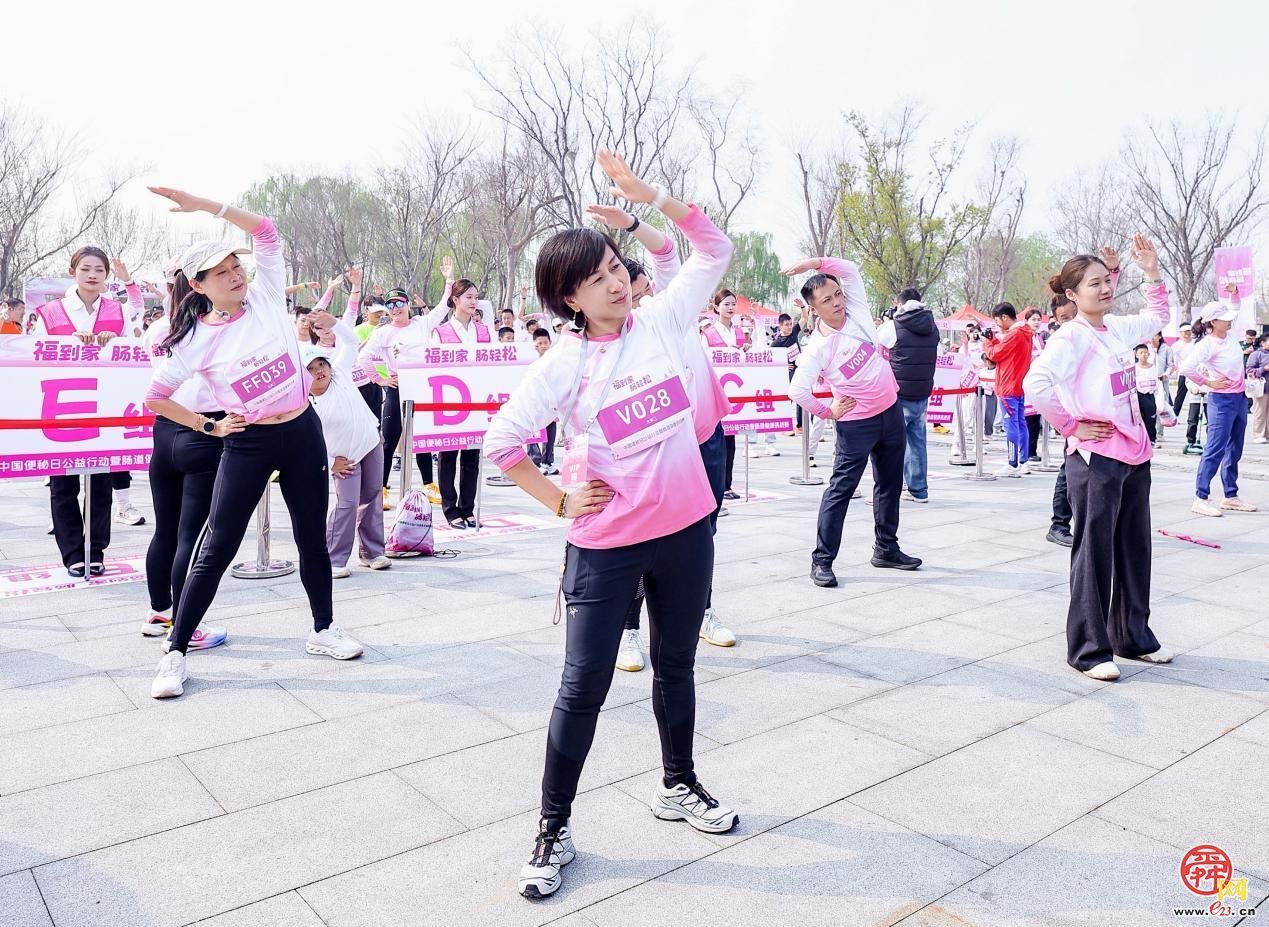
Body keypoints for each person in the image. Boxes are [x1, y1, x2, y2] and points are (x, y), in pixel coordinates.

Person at [485, 151, 738, 899]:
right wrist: (559, 501)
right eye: (594, 278)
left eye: (614, 267)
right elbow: (502, 443)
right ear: (567, 297)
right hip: (605, 547)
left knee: (677, 665)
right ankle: (553, 827)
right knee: (581, 686)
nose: (615, 281)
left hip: (687, 528)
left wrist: (649, 199)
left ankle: (677, 783)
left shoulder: (661, 319)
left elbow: (712, 249)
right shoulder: (563, 362)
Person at [144, 187, 363, 700]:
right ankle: (176, 649)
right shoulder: (192, 339)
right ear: (199, 286)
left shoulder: (266, 296)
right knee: (217, 546)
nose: (235, 275)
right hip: (248, 445)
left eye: (235, 267)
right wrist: (209, 426)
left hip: (302, 431)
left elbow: (265, 229)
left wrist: (206, 205)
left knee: (312, 535)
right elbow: (156, 397)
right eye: (221, 273)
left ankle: (323, 629)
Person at [585, 198, 738, 675]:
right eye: (611, 281)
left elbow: (673, 251)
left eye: (626, 276)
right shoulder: (631, 331)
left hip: (704, 438)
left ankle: (700, 610)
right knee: (638, 539)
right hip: (649, 448)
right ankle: (629, 630)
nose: (628, 288)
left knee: (702, 533)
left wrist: (633, 219)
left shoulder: (671, 309)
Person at [1023, 235, 1173, 682]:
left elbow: (1159, 318)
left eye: (1107, 281)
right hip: (1096, 458)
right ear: (1072, 295)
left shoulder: (1115, 329)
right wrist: (1071, 426)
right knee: (1094, 552)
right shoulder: (1071, 337)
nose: (1105, 289)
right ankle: (1089, 650)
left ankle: (1133, 637)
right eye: (1094, 284)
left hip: (1134, 452)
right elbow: (1036, 385)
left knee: (1134, 547)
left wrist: (1151, 273)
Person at [785, 254, 922, 588]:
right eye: (827, 300)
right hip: (856, 425)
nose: (836, 302)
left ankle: (886, 549)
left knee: (889, 484)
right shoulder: (818, 347)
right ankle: (822, 560)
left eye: (837, 294)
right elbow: (798, 390)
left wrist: (813, 264)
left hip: (891, 413)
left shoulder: (857, 311)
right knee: (841, 490)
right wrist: (827, 412)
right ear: (813, 308)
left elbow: (850, 270)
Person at [38, 249, 144, 576]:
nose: (93, 275)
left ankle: (95, 550)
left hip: (104, 408)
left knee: (100, 483)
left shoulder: (118, 311)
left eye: (99, 269)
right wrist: (72, 343)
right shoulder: (49, 312)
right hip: (61, 410)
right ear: (73, 271)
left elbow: (132, 354)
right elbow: (36, 357)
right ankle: (72, 553)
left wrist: (113, 343)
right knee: (64, 484)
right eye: (86, 269)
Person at [139, 266, 230, 648]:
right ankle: (185, 625)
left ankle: (160, 609)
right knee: (190, 536)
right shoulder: (210, 330)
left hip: (164, 430)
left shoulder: (159, 330)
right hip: (203, 429)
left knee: (165, 529)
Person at [305, 268, 391, 577]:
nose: (320, 372)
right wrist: (331, 461)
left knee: (372, 497)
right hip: (345, 458)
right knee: (347, 503)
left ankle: (373, 552)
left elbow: (351, 342)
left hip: (370, 442)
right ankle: (334, 558)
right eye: (312, 369)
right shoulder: (305, 403)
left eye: (321, 366)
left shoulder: (339, 371)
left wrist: (335, 323)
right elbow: (305, 443)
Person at [360, 280, 451, 510]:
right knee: (389, 440)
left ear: (408, 304)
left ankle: (429, 484)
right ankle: (381, 488)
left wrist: (448, 281)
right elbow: (364, 357)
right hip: (396, 390)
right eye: (390, 305)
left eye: (399, 303)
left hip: (421, 388)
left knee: (422, 440)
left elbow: (442, 308)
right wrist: (381, 379)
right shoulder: (383, 333)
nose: (395, 308)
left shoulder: (421, 324)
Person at [1181, 288, 1257, 516]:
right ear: (1212, 322)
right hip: (1221, 401)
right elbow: (1186, 368)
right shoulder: (1207, 344)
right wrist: (1209, 383)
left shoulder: (1230, 336)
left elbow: (1235, 307)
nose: (1229, 321)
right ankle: (1201, 497)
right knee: (1215, 448)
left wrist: (1234, 294)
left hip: (1239, 399)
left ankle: (1230, 495)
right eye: (1224, 320)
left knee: (1235, 448)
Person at [431, 273, 490, 529]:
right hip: (449, 402)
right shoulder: (441, 332)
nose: (474, 301)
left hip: (476, 400)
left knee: (471, 458)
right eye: (468, 297)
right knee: (447, 457)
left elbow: (494, 362)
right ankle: (450, 509)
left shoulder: (484, 331)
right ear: (455, 300)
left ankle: (468, 508)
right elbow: (431, 366)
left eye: (476, 297)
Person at [878, 287, 938, 503]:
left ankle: (891, 490)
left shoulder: (892, 326)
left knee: (893, 443)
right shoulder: (932, 326)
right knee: (917, 440)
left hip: (899, 393)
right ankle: (918, 489)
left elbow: (873, 349)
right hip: (922, 392)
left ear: (898, 303)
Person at [981, 302, 1033, 477]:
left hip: (1007, 385)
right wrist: (994, 340)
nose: (997, 325)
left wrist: (987, 343)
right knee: (1020, 424)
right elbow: (1005, 352)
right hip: (1018, 384)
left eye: (997, 321)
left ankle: (1012, 463)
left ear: (1004, 317)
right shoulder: (1024, 332)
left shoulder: (1015, 333)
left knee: (1011, 425)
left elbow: (995, 354)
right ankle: (1023, 461)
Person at [1046, 293, 1078, 547]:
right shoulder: (1060, 343)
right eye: (1064, 318)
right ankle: (1059, 524)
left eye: (1073, 316)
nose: (1070, 322)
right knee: (1069, 471)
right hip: (1075, 419)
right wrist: (1066, 422)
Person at [526, 329, 559, 474]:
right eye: (540, 343)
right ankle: (534, 461)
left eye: (546, 342)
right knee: (534, 432)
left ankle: (547, 461)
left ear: (550, 343)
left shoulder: (555, 361)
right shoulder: (530, 363)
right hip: (535, 402)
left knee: (550, 433)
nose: (543, 346)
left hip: (551, 403)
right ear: (535, 345)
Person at [1245, 333, 1269, 443]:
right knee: (1260, 411)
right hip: (1261, 388)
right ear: (1263, 343)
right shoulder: (1256, 354)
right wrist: (1263, 369)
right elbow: (1249, 371)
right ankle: (1259, 434)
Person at [1134, 344, 1159, 445]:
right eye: (1141, 353)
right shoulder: (1134, 367)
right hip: (1138, 395)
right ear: (1136, 355)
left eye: (1145, 352)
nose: (1144, 355)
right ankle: (1139, 439)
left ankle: (1151, 439)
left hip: (1150, 395)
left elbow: (1156, 381)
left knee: (1151, 418)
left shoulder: (1152, 367)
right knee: (1139, 418)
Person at [1172, 322, 1195, 419]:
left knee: (1197, 396)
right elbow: (1173, 360)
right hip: (1183, 373)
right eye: (1185, 332)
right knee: (1180, 394)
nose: (1187, 333)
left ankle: (1198, 416)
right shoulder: (1176, 345)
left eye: (1189, 331)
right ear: (1181, 333)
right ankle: (1174, 415)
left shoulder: (1196, 343)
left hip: (1195, 372)